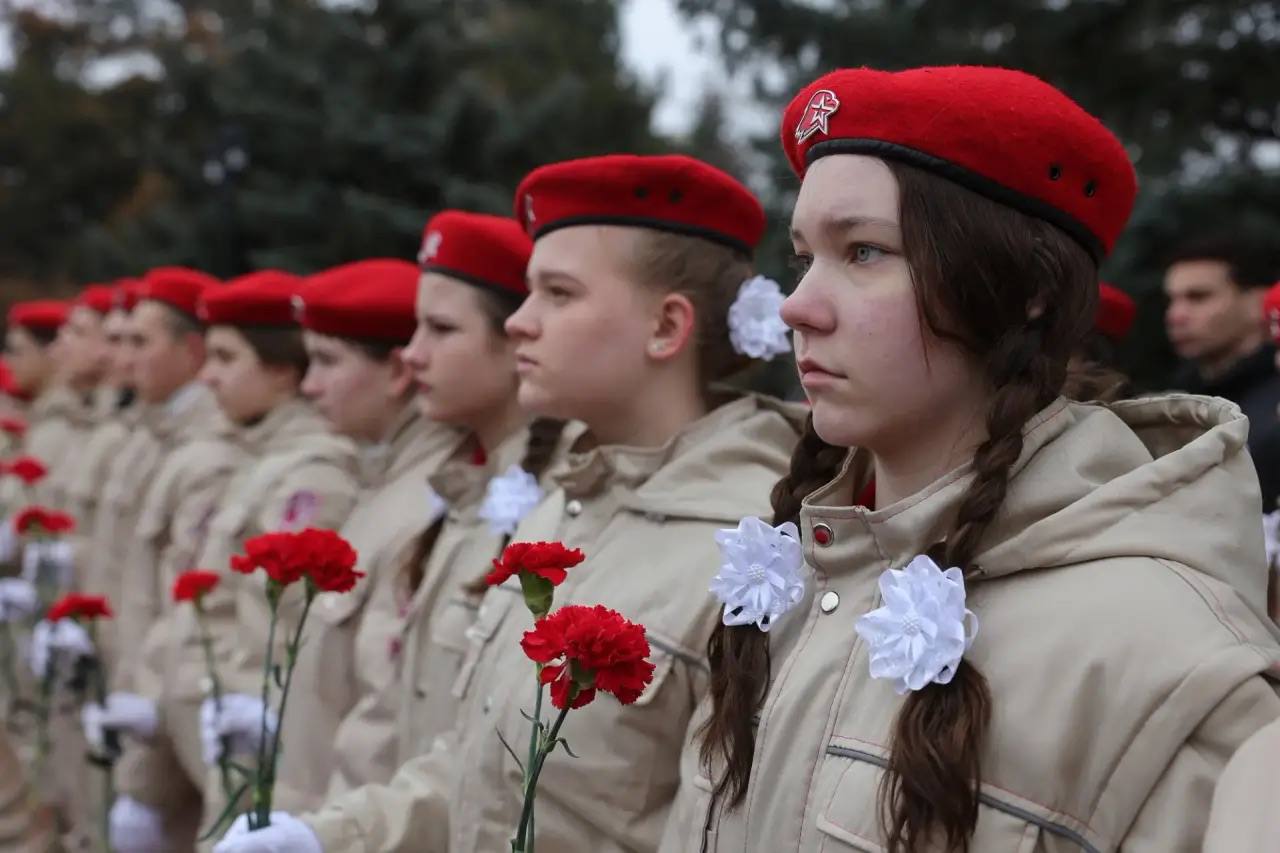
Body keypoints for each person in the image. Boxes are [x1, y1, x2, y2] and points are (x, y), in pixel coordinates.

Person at [661, 66, 1280, 852]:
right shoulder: (795, 577)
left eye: (864, 251)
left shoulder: (1171, 664)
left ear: (1025, 289)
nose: (798, 304)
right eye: (804, 255)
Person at [213, 155, 805, 853]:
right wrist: (329, 837)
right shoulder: (561, 507)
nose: (520, 323)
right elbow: (479, 774)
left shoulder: (751, 551)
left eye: (557, 292)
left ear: (666, 327)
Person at [107, 270, 359, 852]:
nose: (208, 374)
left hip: (250, 754)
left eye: (225, 356)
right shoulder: (251, 455)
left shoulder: (310, 471)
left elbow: (279, 646)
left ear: (278, 368)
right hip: (200, 738)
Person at [201, 257, 463, 815]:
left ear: (396, 372)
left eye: (326, 361)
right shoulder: (391, 485)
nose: (309, 383)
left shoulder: (426, 502)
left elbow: (387, 719)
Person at [1165, 235, 1280, 458]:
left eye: (1198, 297)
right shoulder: (1178, 402)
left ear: (1259, 302)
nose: (1175, 316)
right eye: (1171, 300)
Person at [4, 299, 76, 502]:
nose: (9, 362)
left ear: (50, 351)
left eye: (18, 351)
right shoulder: (39, 413)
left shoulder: (64, 420)